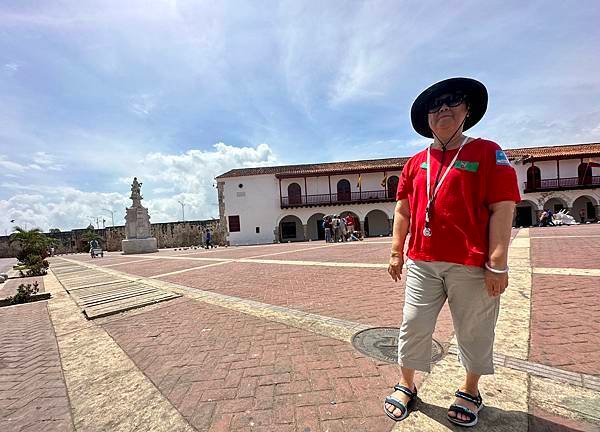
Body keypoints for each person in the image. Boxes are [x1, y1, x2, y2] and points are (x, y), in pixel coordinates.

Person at [384, 78, 520, 427]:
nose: (443, 108)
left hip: (472, 264)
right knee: (413, 325)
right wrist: (397, 251)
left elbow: (503, 207)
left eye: (453, 101)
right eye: (436, 105)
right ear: (427, 119)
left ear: (468, 110)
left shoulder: (488, 152)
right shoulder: (415, 162)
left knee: (473, 329)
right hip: (422, 262)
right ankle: (407, 383)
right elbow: (403, 209)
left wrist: (498, 263)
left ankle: (470, 389)